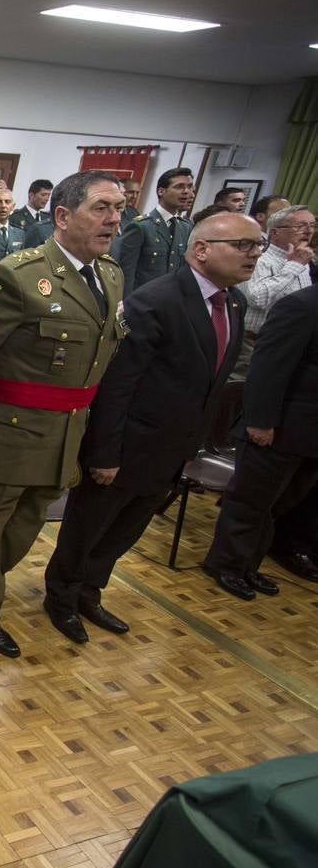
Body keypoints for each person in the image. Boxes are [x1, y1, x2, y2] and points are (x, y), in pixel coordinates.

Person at [0, 170, 127, 666]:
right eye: (101, 208)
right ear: (63, 216)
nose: (114, 219)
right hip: (11, 431)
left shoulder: (111, 276)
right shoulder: (18, 276)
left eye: (119, 208)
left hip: (65, 433)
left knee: (21, 533)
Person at [43, 213, 251, 642]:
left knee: (125, 531)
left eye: (257, 244)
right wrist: (104, 453)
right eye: (243, 245)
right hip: (128, 446)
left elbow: (212, 382)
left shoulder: (233, 302)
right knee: (88, 529)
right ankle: (61, 598)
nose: (254, 254)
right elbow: (118, 386)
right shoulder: (156, 300)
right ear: (201, 249)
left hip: (173, 448)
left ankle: (90, 592)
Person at [203, 280, 318, 601]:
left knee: (277, 506)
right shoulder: (301, 306)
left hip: (308, 436)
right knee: (250, 503)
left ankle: (248, 566)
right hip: (278, 430)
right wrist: (260, 421)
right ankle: (226, 564)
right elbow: (268, 368)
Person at [232, 205, 314, 380]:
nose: (308, 231)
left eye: (312, 225)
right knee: (239, 394)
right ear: (275, 232)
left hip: (290, 343)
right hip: (254, 343)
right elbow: (256, 298)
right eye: (300, 226)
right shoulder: (261, 258)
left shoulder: (304, 258)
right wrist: (294, 266)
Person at [113, 167, 194, 294]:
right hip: (142, 300)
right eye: (179, 187)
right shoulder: (141, 226)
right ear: (161, 191)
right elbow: (125, 273)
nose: (187, 192)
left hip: (168, 299)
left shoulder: (185, 226)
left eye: (190, 187)